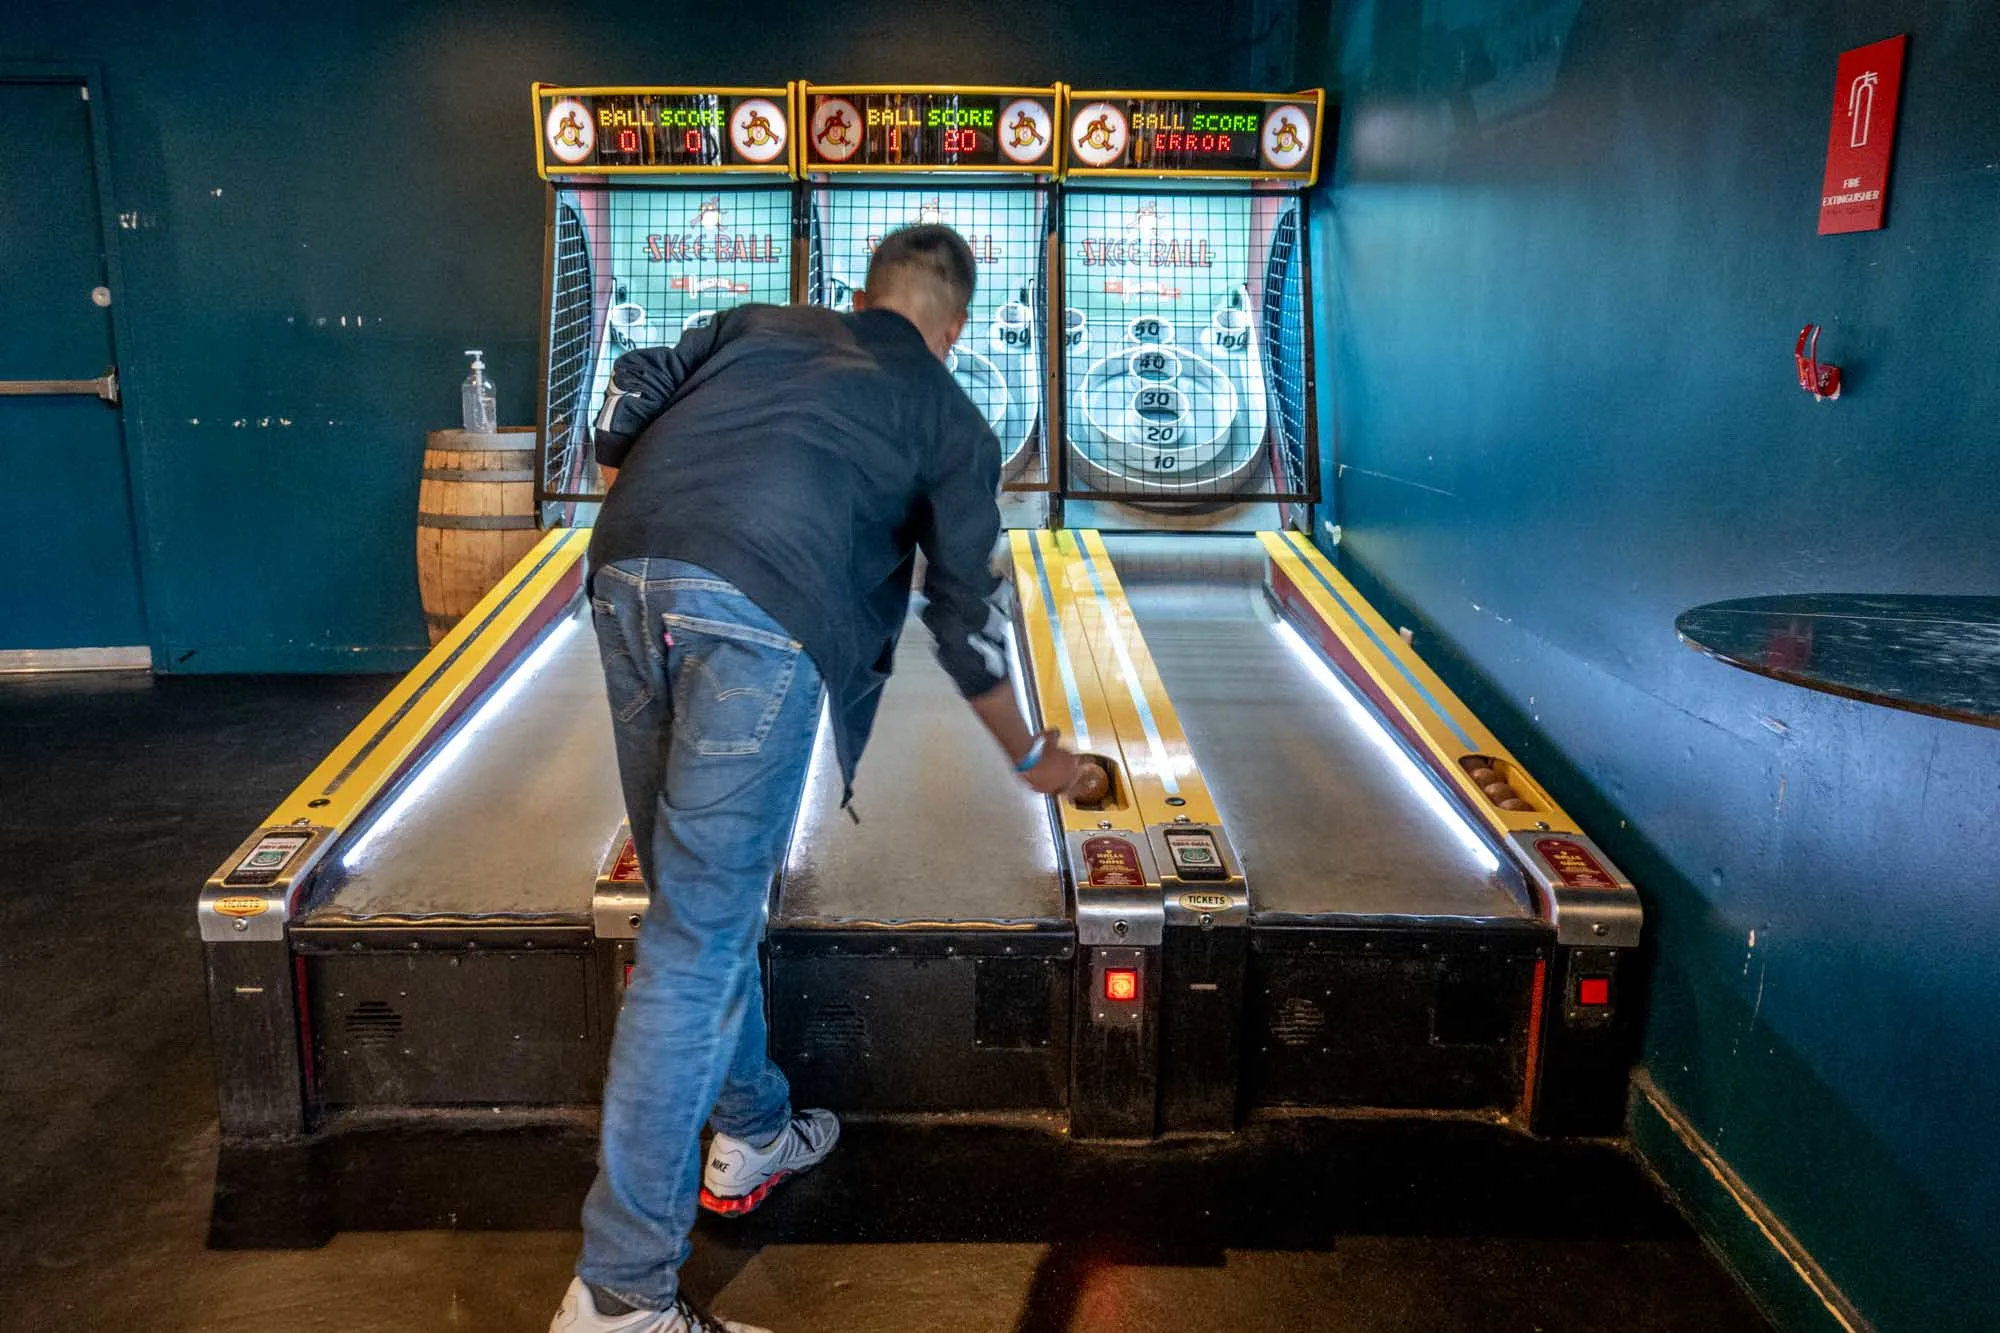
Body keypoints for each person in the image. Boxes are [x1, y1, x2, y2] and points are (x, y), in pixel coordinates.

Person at [550, 224, 1086, 1333]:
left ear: (854, 292)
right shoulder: (947, 412)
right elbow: (968, 620)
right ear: (952, 328)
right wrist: (1036, 758)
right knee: (692, 947)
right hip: (763, 608)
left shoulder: (758, 322)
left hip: (626, 566)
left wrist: (637, 462)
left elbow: (633, 383)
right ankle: (620, 1298)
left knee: (694, 903)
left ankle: (751, 1129)